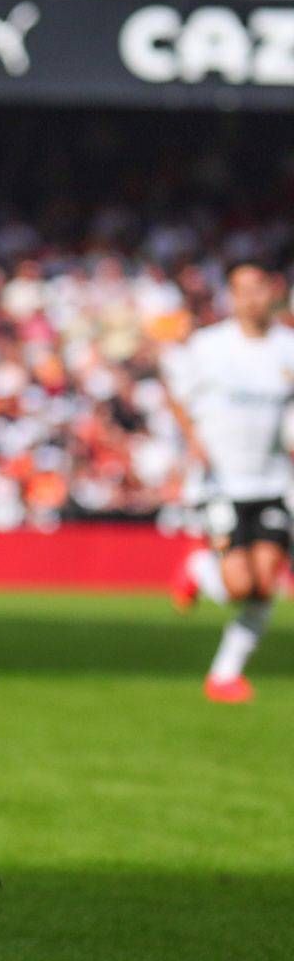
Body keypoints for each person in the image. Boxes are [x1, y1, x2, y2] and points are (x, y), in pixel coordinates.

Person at [165, 262, 294, 704]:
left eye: (259, 289)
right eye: (242, 290)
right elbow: (177, 394)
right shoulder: (209, 346)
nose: (252, 298)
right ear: (232, 297)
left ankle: (224, 675)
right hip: (221, 481)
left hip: (272, 482)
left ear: (273, 292)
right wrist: (193, 439)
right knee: (238, 586)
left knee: (266, 584)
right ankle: (198, 568)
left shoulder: (287, 347)